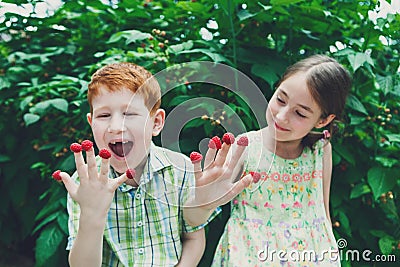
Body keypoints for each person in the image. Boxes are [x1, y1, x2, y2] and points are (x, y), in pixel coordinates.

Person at [184, 55, 351, 266]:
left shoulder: (321, 149)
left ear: (323, 120)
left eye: (300, 113)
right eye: (280, 99)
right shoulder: (244, 148)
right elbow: (193, 220)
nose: (281, 116)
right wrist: (203, 202)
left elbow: (322, 212)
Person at [54, 62, 219, 266]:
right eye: (104, 115)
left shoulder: (181, 170)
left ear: (156, 123)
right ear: (91, 122)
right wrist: (91, 215)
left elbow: (194, 237)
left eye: (129, 113)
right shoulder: (85, 182)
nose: (115, 126)